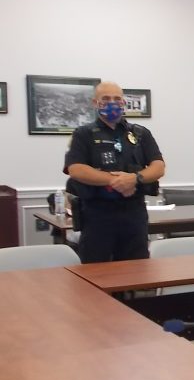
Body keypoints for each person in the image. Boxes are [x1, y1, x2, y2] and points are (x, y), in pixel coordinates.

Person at [64, 81, 165, 263]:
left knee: (137, 269)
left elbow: (158, 166)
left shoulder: (140, 134)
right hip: (97, 214)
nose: (112, 103)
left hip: (134, 213)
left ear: (123, 102)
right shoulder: (83, 134)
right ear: (95, 103)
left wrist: (134, 178)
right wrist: (115, 180)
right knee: (96, 271)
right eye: (106, 99)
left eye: (117, 99)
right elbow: (76, 169)